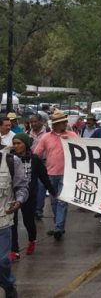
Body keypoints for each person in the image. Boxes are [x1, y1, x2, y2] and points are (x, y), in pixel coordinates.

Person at [9, 133, 57, 260]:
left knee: (28, 221)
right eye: (14, 143)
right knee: (12, 223)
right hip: (13, 196)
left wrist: (53, 192)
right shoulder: (10, 158)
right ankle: (14, 250)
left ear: (26, 144)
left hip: (29, 195)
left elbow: (44, 177)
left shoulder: (35, 159)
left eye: (19, 143)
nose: (16, 146)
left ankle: (32, 240)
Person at [32, 110, 77, 240]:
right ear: (55, 124)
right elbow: (37, 153)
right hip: (51, 173)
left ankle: (58, 227)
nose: (63, 124)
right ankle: (60, 226)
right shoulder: (46, 137)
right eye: (60, 122)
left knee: (62, 201)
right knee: (54, 201)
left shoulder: (72, 135)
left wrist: (70, 142)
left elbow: (81, 152)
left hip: (67, 174)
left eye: (63, 122)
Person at [0, 144, 28, 298]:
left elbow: (22, 187)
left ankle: (8, 285)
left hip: (3, 222)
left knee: (2, 261)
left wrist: (18, 201)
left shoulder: (12, 161)